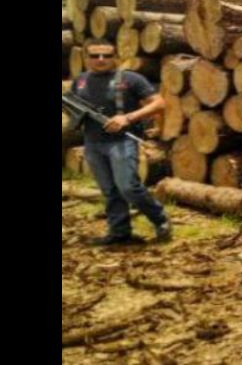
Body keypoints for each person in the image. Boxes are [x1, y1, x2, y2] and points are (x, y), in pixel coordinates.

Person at [69, 39, 172, 245]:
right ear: (85, 58)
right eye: (95, 55)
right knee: (109, 190)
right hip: (93, 143)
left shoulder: (131, 79)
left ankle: (160, 219)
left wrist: (127, 118)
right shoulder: (80, 81)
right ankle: (119, 233)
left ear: (115, 57)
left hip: (121, 142)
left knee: (128, 187)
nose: (101, 60)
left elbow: (160, 103)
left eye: (106, 56)